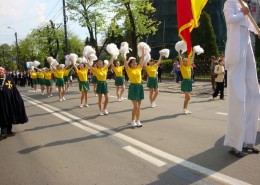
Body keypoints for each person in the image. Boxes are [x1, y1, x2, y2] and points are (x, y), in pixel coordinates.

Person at [223, 0, 260, 157]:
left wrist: (257, 30)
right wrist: (242, 13)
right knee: (238, 97)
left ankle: (248, 141)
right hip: (236, 49)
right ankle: (235, 144)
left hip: (247, 45)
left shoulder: (243, 3)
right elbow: (230, 19)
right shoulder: (229, 2)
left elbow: (249, 24)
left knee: (254, 93)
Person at [0, 67, 28, 139]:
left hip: (9, 101)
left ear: (4, 71)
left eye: (2, 70)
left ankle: (8, 131)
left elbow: (14, 90)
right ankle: (4, 131)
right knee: (2, 116)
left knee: (9, 115)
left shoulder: (9, 78)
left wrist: (18, 99)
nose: (0, 71)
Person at [123, 47, 145, 128]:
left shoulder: (139, 68)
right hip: (133, 87)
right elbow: (125, 61)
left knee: (139, 107)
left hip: (139, 87)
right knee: (136, 106)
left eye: (135, 62)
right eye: (133, 62)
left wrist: (143, 50)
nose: (135, 63)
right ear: (130, 64)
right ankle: (132, 120)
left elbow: (142, 59)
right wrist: (124, 54)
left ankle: (138, 120)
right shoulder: (128, 69)